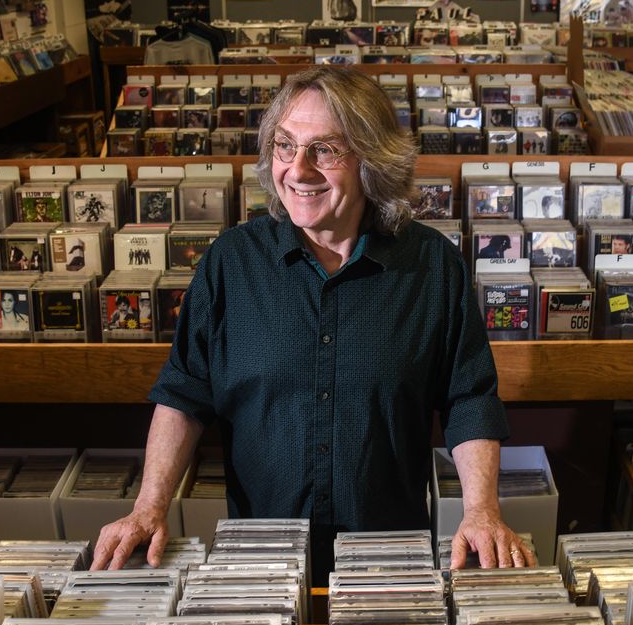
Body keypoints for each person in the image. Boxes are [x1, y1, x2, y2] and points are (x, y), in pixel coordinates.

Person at [91, 66, 528, 580]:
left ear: (373, 160)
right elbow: (185, 394)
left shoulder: (432, 267)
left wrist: (481, 510)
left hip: (387, 561)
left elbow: (469, 399)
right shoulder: (230, 263)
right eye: (284, 146)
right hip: (261, 560)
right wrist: (149, 506)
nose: (297, 170)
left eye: (325, 150)